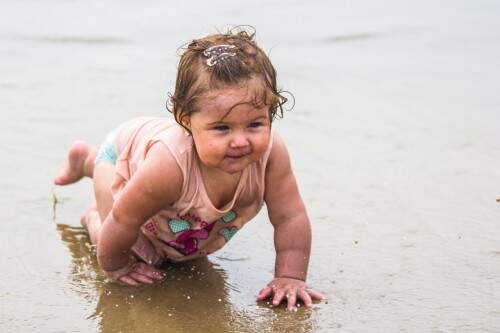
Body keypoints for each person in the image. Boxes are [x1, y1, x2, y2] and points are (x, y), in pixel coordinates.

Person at [54, 28, 324, 310]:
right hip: (120, 156)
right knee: (137, 250)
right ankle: (92, 180)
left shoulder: (270, 154)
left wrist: (290, 276)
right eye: (222, 128)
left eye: (255, 124)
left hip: (147, 167)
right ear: (186, 121)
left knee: (183, 253)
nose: (241, 141)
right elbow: (124, 219)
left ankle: (86, 161)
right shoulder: (168, 166)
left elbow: (289, 215)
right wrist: (117, 267)